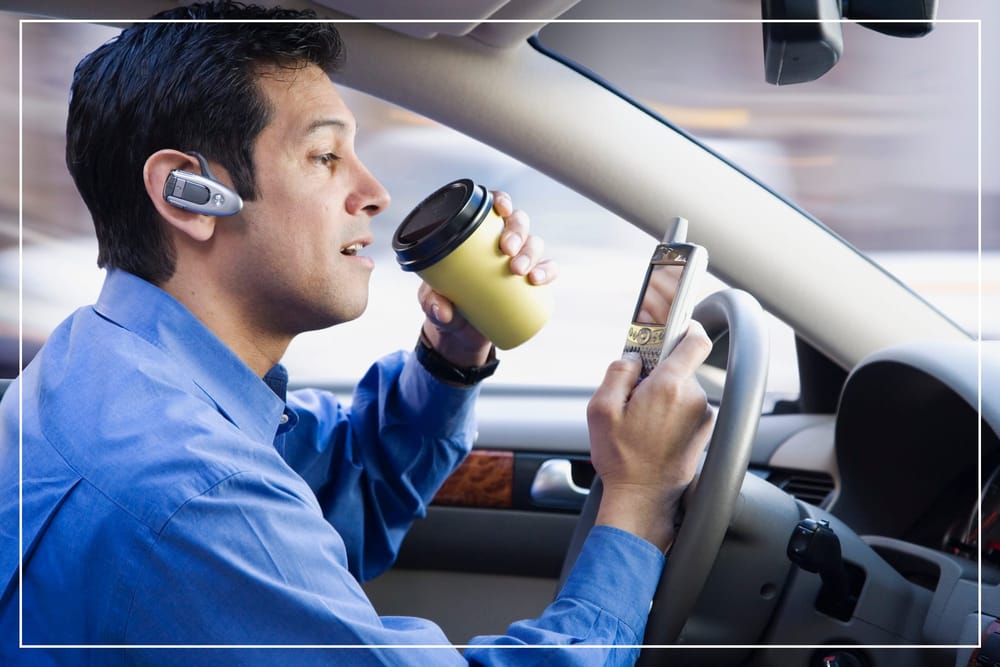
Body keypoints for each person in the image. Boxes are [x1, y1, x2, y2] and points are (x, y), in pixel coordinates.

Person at [0, 2, 714, 664]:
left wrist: (452, 354)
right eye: (324, 156)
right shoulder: (191, 495)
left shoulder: (104, 366)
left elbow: (348, 486)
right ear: (188, 195)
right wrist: (636, 501)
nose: (374, 192)